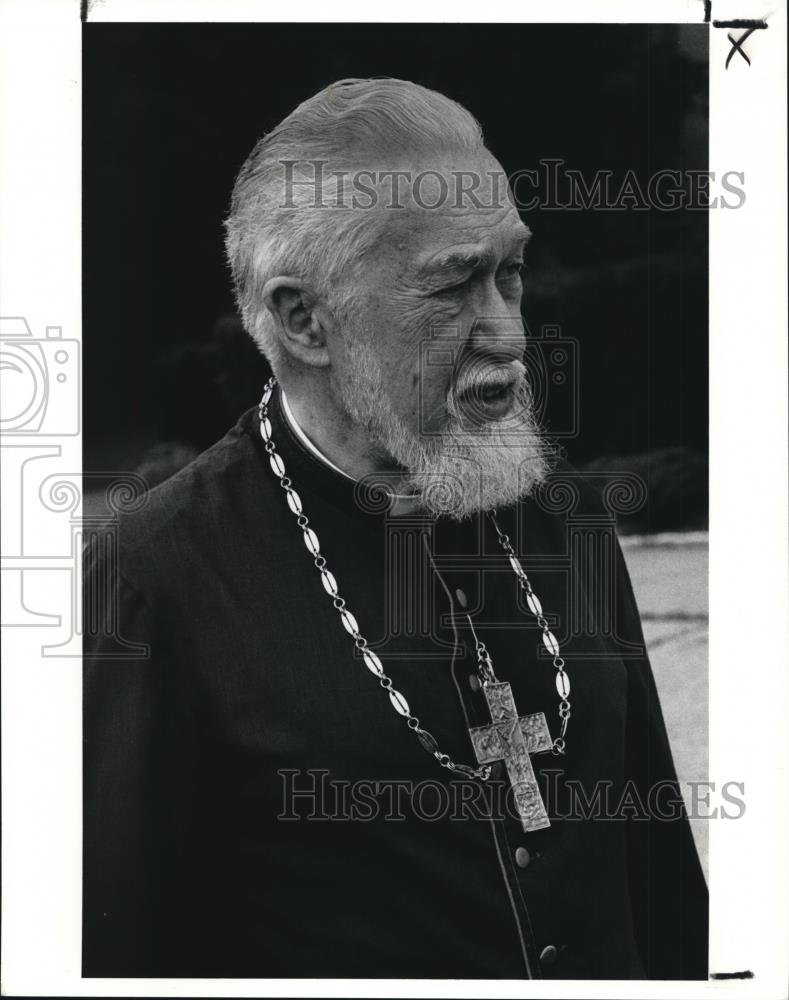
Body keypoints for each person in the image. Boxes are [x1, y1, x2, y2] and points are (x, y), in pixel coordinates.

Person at [83, 77, 708, 980]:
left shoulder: (561, 524)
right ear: (305, 322)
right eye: (453, 288)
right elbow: (121, 952)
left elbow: (662, 899)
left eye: (511, 274)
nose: (506, 334)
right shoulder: (154, 582)